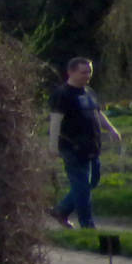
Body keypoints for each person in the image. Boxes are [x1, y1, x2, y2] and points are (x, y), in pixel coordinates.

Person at [49, 56, 121, 228]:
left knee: (92, 181)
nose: (87, 75)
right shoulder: (62, 95)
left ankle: (61, 210)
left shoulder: (89, 92)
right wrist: (52, 147)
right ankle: (87, 226)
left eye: (89, 72)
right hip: (72, 148)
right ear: (71, 72)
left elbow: (97, 113)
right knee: (81, 187)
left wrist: (111, 129)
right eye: (83, 72)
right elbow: (55, 122)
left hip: (92, 146)